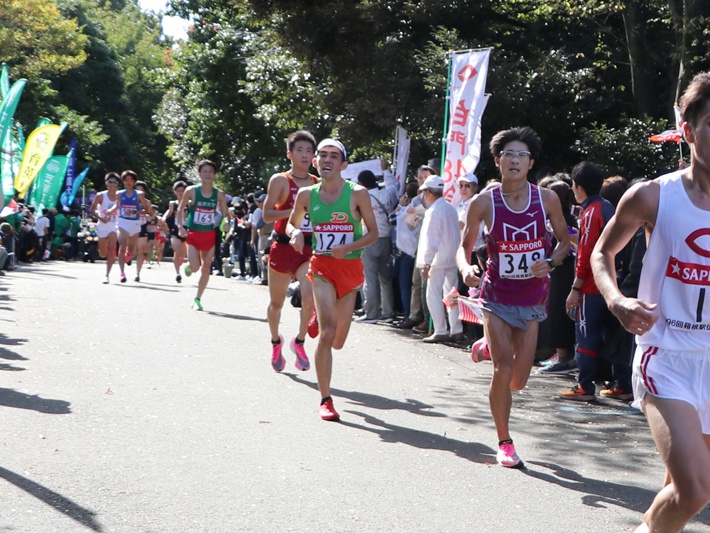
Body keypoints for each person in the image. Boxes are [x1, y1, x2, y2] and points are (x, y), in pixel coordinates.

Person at [591, 72, 710, 533]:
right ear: (688, 131)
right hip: (666, 353)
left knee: (680, 488)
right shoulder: (653, 196)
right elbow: (602, 253)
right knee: (695, 490)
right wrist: (617, 300)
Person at [457, 126, 570, 467]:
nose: (515, 160)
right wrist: (466, 269)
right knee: (503, 369)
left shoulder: (546, 199)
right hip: (496, 295)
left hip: (532, 298)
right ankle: (505, 442)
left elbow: (565, 242)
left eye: (522, 155)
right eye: (509, 154)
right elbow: (463, 248)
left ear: (531, 162)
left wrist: (551, 261)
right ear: (498, 161)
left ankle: (485, 346)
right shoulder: (483, 202)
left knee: (519, 380)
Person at [287, 138, 378, 421]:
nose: (327, 160)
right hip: (322, 267)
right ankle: (325, 399)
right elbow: (292, 222)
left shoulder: (357, 193)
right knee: (327, 333)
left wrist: (349, 247)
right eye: (322, 155)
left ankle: (319, 316)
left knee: (338, 341)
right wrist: (295, 233)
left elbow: (373, 233)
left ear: (344, 164)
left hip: (349, 269)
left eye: (334, 156)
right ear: (315, 161)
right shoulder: (306, 195)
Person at [557, 162, 633, 402]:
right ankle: (622, 384)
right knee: (613, 335)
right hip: (613, 283)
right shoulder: (608, 206)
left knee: (586, 336)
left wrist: (575, 288)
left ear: (578, 187)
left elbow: (587, 253)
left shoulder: (591, 212)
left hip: (592, 286)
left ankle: (584, 385)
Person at [262, 130, 319, 373]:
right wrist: (297, 210)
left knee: (308, 298)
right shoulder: (280, 180)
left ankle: (300, 341)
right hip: (283, 247)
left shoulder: (318, 183)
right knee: (276, 304)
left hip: (307, 249)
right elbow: (267, 215)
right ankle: (276, 342)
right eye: (300, 150)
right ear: (290, 154)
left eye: (309, 151)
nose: (305, 155)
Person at [416, 174, 464, 343]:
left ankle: (440, 330)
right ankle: (456, 329)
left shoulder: (434, 211)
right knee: (452, 293)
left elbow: (431, 240)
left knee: (433, 294)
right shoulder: (450, 208)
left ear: (428, 192)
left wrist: (426, 263)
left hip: (438, 259)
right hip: (452, 257)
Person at [177, 160, 229, 310]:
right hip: (194, 234)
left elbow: (226, 214)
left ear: (214, 175)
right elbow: (180, 209)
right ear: (199, 174)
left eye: (211, 172)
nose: (208, 174)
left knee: (206, 268)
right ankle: (189, 267)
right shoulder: (191, 191)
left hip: (209, 236)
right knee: (195, 267)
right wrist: (180, 226)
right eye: (205, 171)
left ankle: (197, 299)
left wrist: (227, 223)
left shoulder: (219, 194)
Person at [356, 161, 399, 324]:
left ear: (361, 184)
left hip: (368, 239)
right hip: (386, 238)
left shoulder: (362, 198)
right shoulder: (387, 194)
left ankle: (372, 312)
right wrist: (385, 170)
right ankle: (388, 312)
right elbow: (394, 185)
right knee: (385, 278)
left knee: (370, 278)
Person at [107, 170, 153, 283]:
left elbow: (146, 210)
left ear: (134, 182)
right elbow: (117, 206)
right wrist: (110, 210)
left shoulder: (139, 194)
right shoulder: (119, 194)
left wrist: (134, 212)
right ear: (123, 181)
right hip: (122, 222)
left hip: (135, 223)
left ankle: (129, 255)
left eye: (131, 180)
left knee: (131, 250)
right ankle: (122, 273)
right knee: (122, 246)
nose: (128, 182)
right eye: (126, 179)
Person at [163, 180, 189, 283]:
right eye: (178, 191)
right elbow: (169, 212)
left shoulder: (189, 203)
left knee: (182, 253)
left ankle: (181, 258)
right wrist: (163, 218)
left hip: (186, 229)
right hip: (175, 229)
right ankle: (178, 273)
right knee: (176, 250)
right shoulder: (173, 203)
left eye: (182, 190)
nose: (180, 193)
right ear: (175, 192)